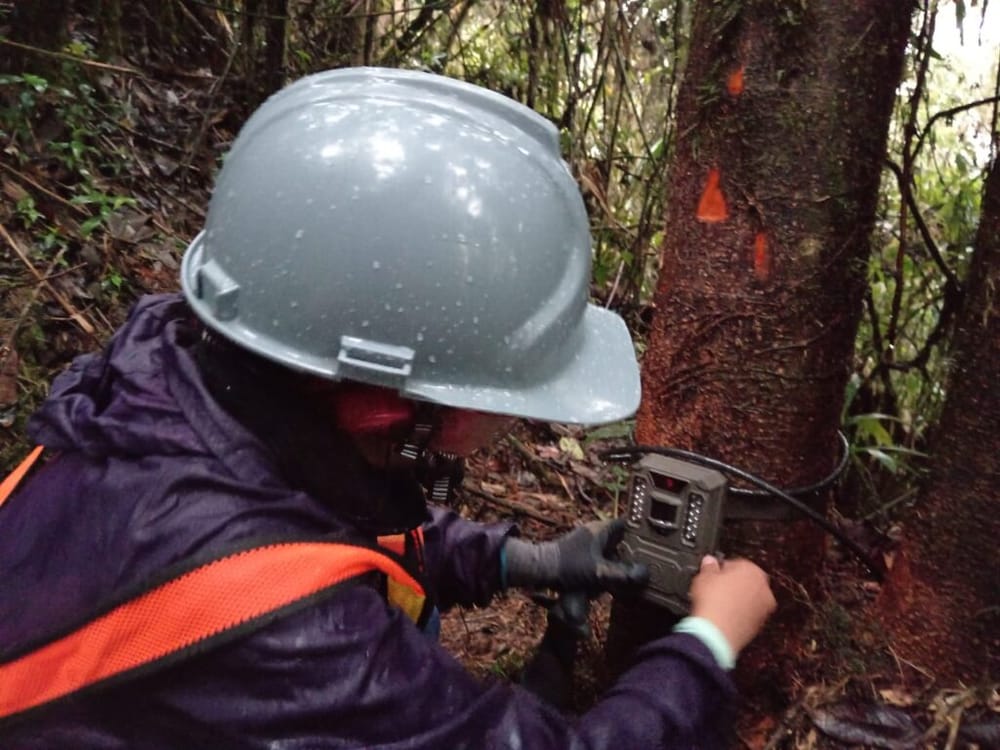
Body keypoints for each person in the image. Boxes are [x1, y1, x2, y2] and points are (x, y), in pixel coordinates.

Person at [0, 67, 775, 748]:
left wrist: (514, 560)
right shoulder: (302, 639)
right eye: (494, 395)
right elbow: (270, 577)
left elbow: (297, 525)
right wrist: (706, 646)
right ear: (388, 407)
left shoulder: (161, 379)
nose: (513, 419)